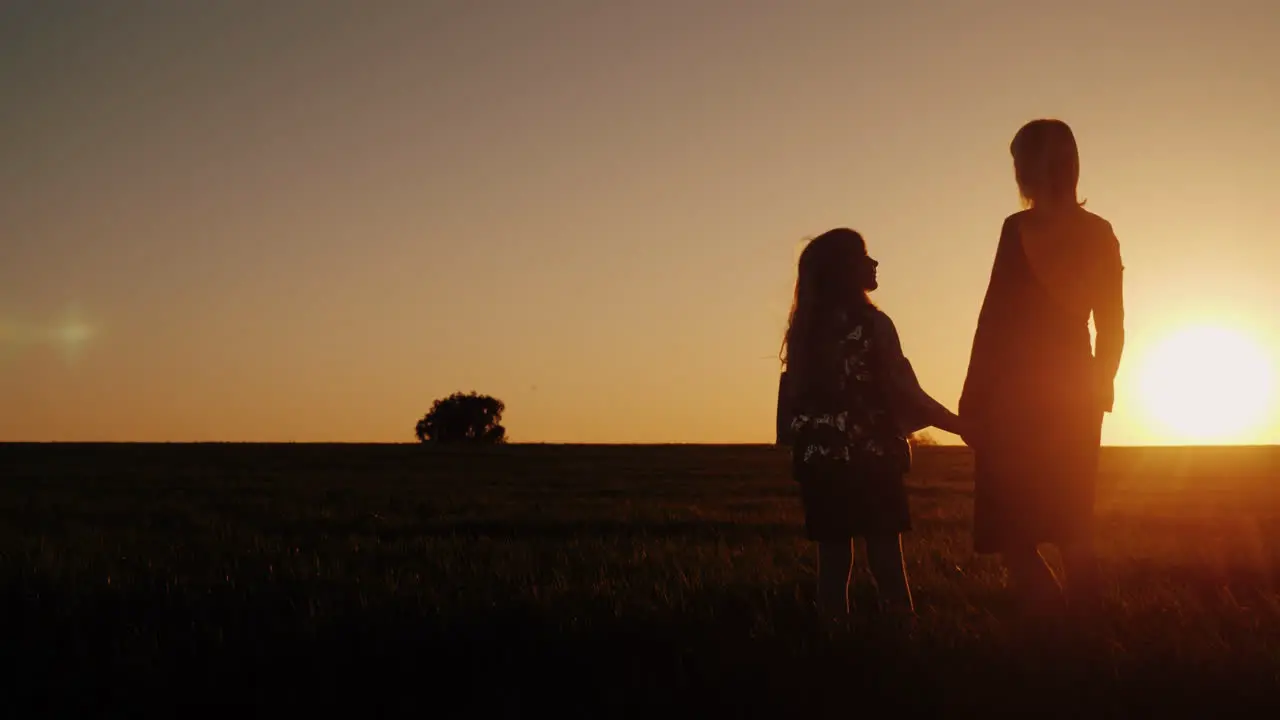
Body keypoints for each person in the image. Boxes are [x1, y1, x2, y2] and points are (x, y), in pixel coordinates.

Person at [959, 119, 1125, 617]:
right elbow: (1112, 327)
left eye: (1018, 163)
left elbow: (994, 319)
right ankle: (1071, 629)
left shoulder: (1021, 229)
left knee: (1026, 521)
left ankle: (1066, 630)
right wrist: (1100, 381)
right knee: (1062, 520)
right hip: (1068, 389)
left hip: (1023, 391)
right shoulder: (1095, 232)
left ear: (1031, 168)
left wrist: (974, 395)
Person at [779, 228, 963, 629]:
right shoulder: (875, 324)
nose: (873, 262)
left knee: (832, 560)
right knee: (885, 555)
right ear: (844, 270)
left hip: (819, 461)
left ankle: (833, 641)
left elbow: (793, 402)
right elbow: (904, 389)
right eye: (863, 256)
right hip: (873, 458)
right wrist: (959, 425)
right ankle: (903, 635)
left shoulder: (805, 331)